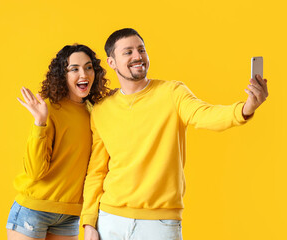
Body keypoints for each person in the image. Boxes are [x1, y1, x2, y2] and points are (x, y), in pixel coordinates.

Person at [81, 28, 268, 240]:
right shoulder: (101, 110)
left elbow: (205, 115)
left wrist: (246, 108)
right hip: (109, 219)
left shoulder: (172, 93)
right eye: (128, 52)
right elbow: (96, 171)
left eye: (141, 50)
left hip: (159, 223)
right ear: (112, 62)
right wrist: (89, 222)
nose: (138, 56)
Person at [6, 44, 111, 240]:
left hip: (69, 214)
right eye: (74, 69)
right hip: (34, 209)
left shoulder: (94, 112)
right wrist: (40, 123)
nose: (84, 74)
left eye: (89, 67)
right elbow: (35, 171)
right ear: (62, 75)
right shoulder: (49, 110)